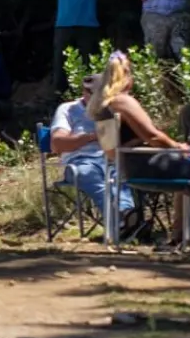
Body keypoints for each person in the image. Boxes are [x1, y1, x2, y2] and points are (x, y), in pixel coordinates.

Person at [87, 51, 190, 253]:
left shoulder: (103, 104)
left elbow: (116, 147)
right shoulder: (123, 101)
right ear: (126, 76)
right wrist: (177, 146)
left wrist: (139, 141)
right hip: (145, 163)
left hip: (127, 166)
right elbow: (152, 136)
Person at [49, 73, 135, 227]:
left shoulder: (115, 108)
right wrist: (92, 137)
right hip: (80, 162)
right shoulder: (68, 109)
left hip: (111, 158)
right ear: (84, 92)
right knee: (90, 176)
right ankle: (122, 221)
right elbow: (57, 144)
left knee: (122, 174)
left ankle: (127, 217)